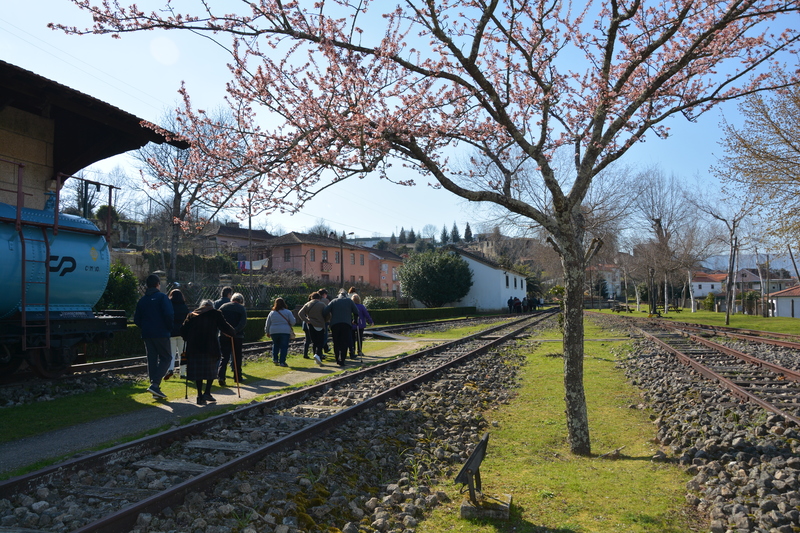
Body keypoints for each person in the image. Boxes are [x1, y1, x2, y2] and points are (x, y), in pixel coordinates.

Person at [181, 299, 235, 405]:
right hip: (211, 347)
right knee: (211, 370)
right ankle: (207, 392)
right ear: (211, 306)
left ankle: (199, 396)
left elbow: (183, 331)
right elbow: (225, 327)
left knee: (198, 373)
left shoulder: (191, 315)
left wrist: (188, 338)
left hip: (194, 349)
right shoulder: (215, 313)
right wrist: (233, 333)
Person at [134, 274, 174, 400]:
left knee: (152, 359)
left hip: (147, 334)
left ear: (147, 285)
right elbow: (168, 314)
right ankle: (155, 384)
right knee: (166, 357)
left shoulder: (142, 300)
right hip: (161, 333)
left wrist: (145, 327)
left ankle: (154, 387)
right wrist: (168, 328)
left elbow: (136, 319)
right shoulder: (162, 297)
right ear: (158, 284)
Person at [323, 289, 359, 366]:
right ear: (346, 295)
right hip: (346, 324)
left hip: (335, 325)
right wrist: (355, 321)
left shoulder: (333, 301)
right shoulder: (349, 301)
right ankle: (342, 360)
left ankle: (337, 359)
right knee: (344, 342)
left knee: (336, 342)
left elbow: (325, 312)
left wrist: (327, 320)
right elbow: (356, 312)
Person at [218, 293, 248, 386]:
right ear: (241, 301)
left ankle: (221, 376)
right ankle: (237, 377)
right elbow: (243, 322)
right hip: (237, 336)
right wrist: (234, 331)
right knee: (237, 357)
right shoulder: (241, 308)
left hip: (224, 335)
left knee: (224, 356)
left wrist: (225, 331)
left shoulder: (223, 307)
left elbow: (219, 320)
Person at [298, 292, 328, 365]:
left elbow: (300, 313)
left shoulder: (307, 304)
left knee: (314, 342)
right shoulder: (322, 304)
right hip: (320, 324)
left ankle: (315, 356)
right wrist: (325, 321)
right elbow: (328, 314)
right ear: (319, 298)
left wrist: (306, 320)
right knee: (320, 341)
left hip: (311, 324)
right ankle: (318, 355)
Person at [265, 297, 296, 367]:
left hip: (274, 331)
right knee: (284, 347)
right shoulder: (288, 312)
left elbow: (268, 323)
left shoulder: (272, 313)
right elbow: (293, 322)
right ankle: (282, 362)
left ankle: (275, 359)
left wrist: (267, 331)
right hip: (285, 331)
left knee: (275, 345)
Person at [167, 288, 190, 380]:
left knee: (171, 353)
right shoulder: (184, 307)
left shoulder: (169, 306)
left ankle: (170, 369)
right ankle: (183, 373)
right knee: (183, 353)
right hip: (182, 333)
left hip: (171, 333)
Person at [351, 293, 373, 358]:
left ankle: (352, 351)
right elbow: (366, 314)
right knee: (359, 338)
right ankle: (359, 351)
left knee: (352, 339)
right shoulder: (361, 306)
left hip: (352, 324)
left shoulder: (351, 307)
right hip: (360, 324)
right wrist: (371, 321)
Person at [318, 288, 331, 354]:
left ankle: (325, 349)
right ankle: (320, 350)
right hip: (324, 320)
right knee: (325, 336)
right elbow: (329, 310)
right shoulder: (326, 301)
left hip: (317, 320)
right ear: (324, 294)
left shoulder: (316, 300)